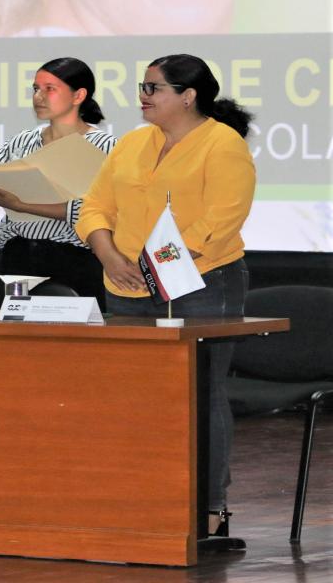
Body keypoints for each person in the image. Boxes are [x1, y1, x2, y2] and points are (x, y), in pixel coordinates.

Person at [75, 54, 255, 535]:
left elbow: (220, 220)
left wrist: (154, 268)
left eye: (153, 88)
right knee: (134, 396)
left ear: (188, 96)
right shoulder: (134, 142)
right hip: (125, 283)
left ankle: (209, 509)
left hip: (201, 285)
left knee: (202, 394)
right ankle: (144, 499)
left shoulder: (223, 144)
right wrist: (109, 256)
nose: (143, 96)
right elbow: (95, 206)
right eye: (143, 86)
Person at [0, 57, 115, 307]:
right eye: (35, 89)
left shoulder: (105, 146)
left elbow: (94, 210)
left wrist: (22, 205)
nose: (38, 97)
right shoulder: (23, 141)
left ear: (78, 95)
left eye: (49, 89)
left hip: (73, 262)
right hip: (17, 258)